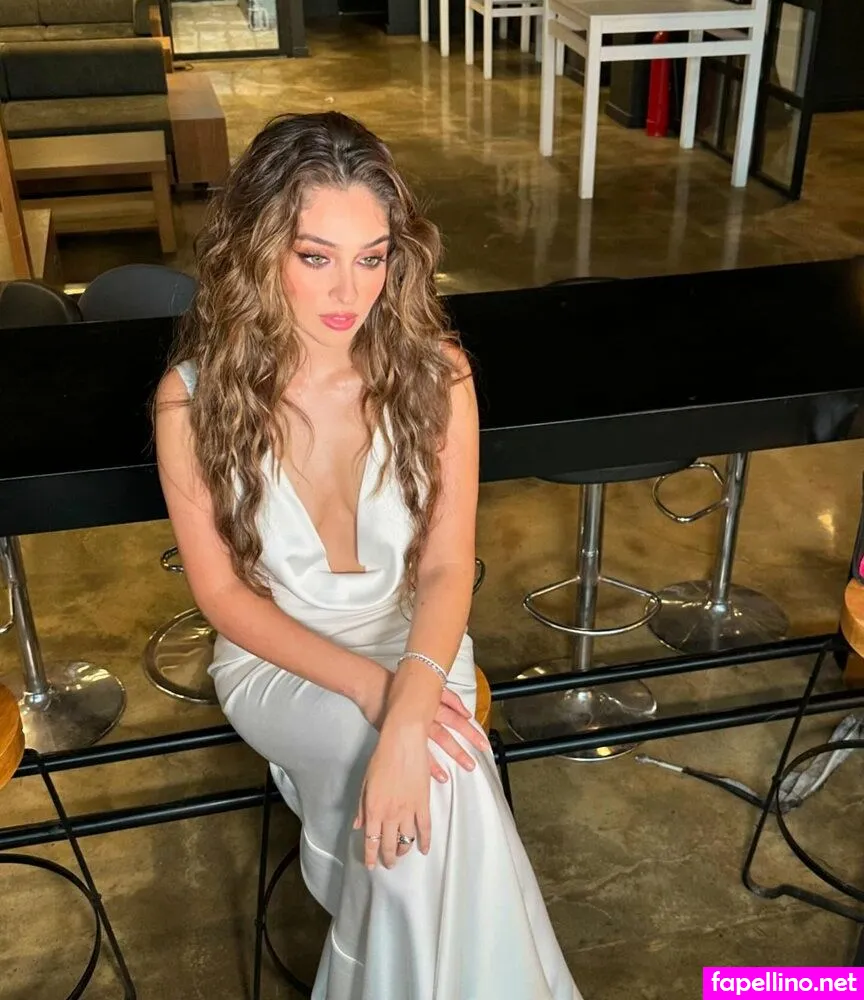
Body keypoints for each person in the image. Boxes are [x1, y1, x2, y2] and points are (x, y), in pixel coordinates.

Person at [155, 111, 582, 1000]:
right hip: (282, 660)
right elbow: (225, 600)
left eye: (372, 257)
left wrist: (412, 698)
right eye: (315, 257)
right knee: (437, 779)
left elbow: (447, 567)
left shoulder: (438, 374)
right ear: (258, 251)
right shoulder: (191, 401)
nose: (348, 291)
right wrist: (380, 702)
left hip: (415, 637)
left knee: (436, 790)